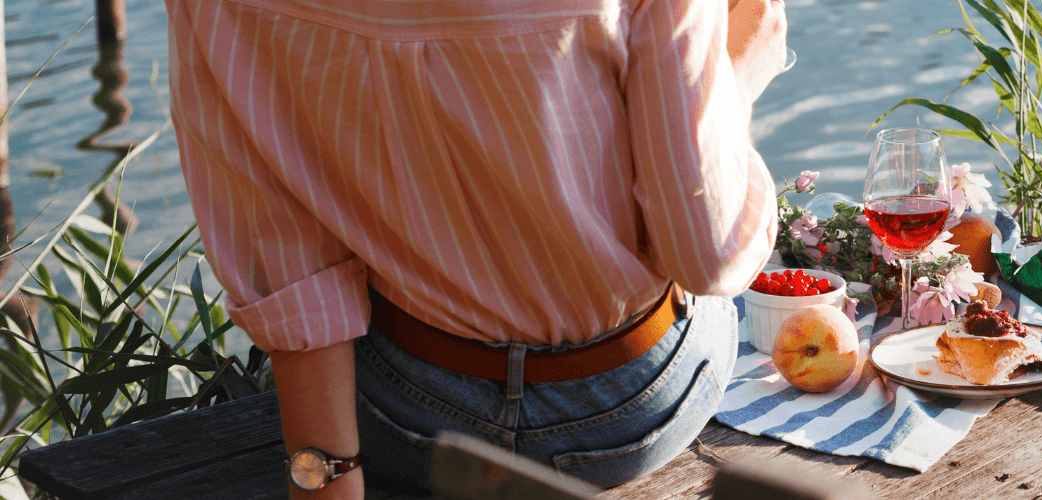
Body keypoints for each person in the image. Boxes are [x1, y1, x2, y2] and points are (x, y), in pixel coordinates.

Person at [165, 0, 786, 496]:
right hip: (629, 409)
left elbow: (285, 258)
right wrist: (740, 70)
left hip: (402, 417)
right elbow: (708, 256)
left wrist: (325, 479)